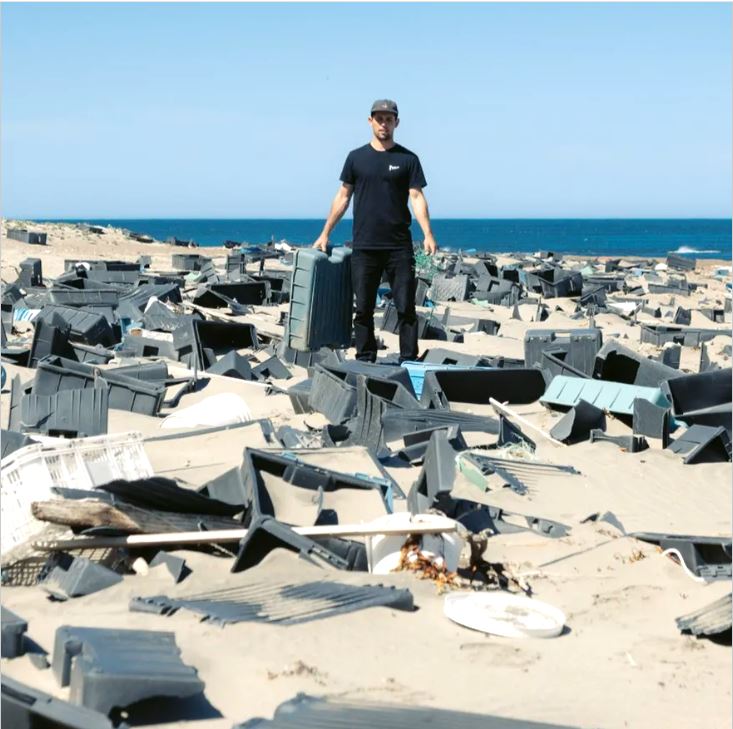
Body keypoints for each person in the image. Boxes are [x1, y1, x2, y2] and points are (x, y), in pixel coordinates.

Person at [313, 99, 438, 363]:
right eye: (379, 118)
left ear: (396, 123)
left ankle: (408, 361)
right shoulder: (356, 158)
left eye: (389, 119)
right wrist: (325, 233)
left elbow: (416, 197)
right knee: (363, 310)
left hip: (399, 247)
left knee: (406, 308)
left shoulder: (408, 159)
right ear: (370, 121)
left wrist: (427, 233)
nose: (384, 123)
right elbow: (343, 197)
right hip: (365, 246)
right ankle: (365, 359)